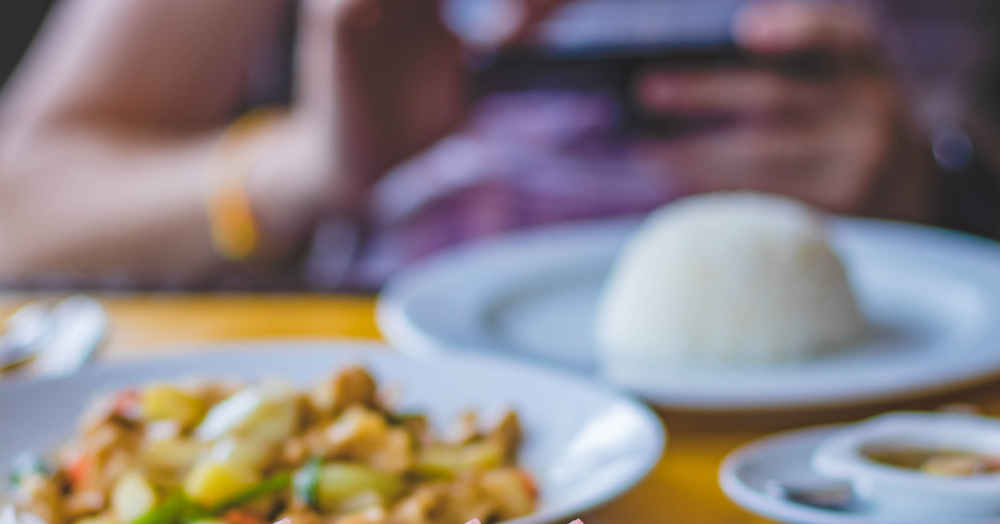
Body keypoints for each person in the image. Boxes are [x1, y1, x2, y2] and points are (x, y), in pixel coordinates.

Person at [0, 0, 995, 287]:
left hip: (840, 432)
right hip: (411, 427)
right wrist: (309, 165)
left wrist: (937, 187)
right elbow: (24, 208)